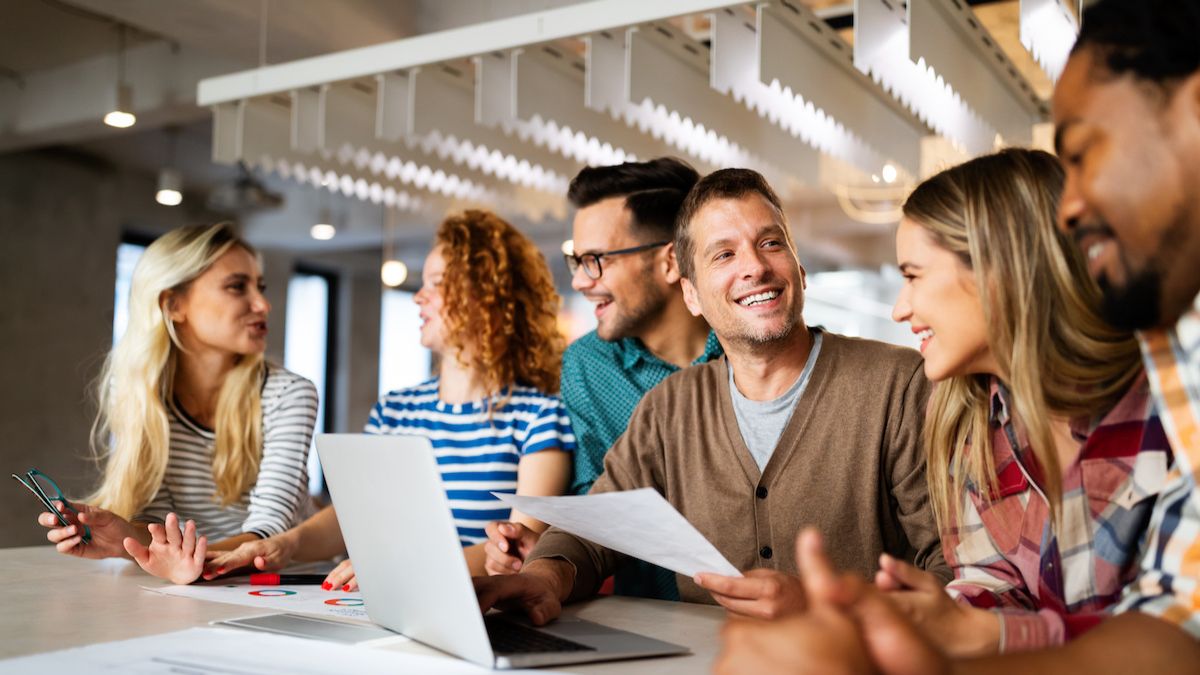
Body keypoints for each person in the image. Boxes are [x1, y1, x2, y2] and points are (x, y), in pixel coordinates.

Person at [715, 1, 1200, 669]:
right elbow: (1172, 623)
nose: (1073, 209)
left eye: (914, 274)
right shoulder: (973, 419)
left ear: (1004, 271)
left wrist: (979, 639)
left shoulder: (1164, 385)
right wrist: (920, 624)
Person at [474, 168, 948, 625]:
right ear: (691, 294)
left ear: (800, 269)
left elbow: (956, 572)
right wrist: (545, 576)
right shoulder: (670, 406)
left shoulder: (899, 384)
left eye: (770, 243)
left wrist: (829, 604)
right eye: (723, 255)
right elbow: (597, 529)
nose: (756, 267)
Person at [202, 209, 575, 587]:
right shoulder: (396, 410)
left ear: (492, 297)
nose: (419, 297)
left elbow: (515, 552)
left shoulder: (540, 415)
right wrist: (283, 543)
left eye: (438, 283)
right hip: (394, 601)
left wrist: (405, 569)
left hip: (483, 609)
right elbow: (356, 516)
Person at [482, 157, 722, 601]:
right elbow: (595, 509)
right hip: (646, 624)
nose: (577, 280)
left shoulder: (748, 352)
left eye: (595, 260)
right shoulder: (587, 364)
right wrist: (549, 555)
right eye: (577, 260)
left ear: (671, 261)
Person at [37, 222, 319, 585]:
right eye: (237, 287)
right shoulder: (138, 393)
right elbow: (160, 529)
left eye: (260, 287)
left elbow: (265, 536)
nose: (263, 304)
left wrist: (152, 551)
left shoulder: (290, 394)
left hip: (284, 586)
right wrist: (121, 537)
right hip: (191, 585)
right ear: (173, 305)